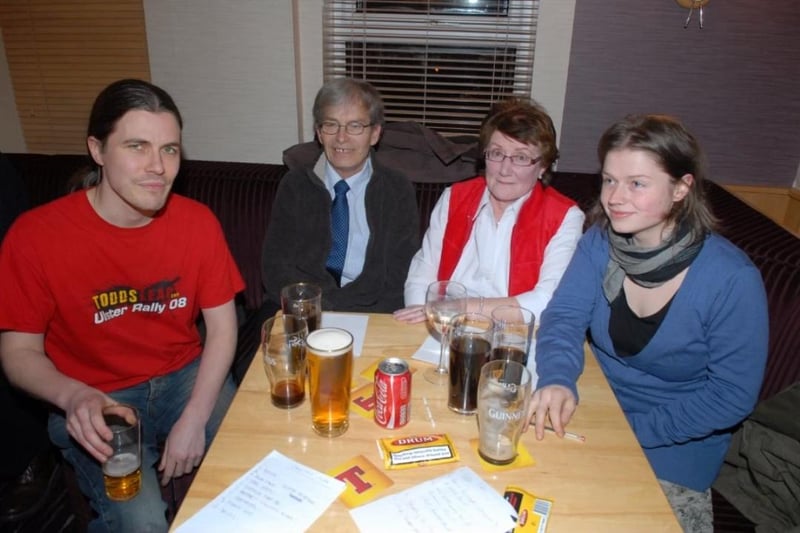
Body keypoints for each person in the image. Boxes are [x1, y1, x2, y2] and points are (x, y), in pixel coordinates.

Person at [0, 79, 244, 532]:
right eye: (138, 146)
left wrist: (195, 416)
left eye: (170, 150)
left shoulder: (197, 223)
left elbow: (224, 330)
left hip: (184, 378)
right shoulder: (34, 237)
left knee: (257, 476)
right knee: (144, 523)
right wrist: (73, 397)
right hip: (97, 398)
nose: (158, 167)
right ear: (97, 149)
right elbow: (18, 355)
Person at [528, 114, 768, 531]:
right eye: (608, 180)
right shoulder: (599, 242)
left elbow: (731, 396)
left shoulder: (731, 279)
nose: (615, 197)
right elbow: (564, 317)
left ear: (681, 188)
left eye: (637, 183)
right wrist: (557, 378)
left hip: (675, 444)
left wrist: (628, 431)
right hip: (589, 413)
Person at [394, 97, 584, 327]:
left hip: (515, 333)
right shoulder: (453, 197)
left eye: (521, 157)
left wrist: (462, 307)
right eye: (496, 153)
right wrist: (422, 320)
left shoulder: (565, 217)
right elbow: (422, 272)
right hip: (446, 326)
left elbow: (548, 300)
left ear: (542, 166)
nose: (505, 169)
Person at [261, 77, 419, 313]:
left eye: (355, 126)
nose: (341, 137)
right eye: (331, 125)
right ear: (319, 133)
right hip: (305, 308)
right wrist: (319, 308)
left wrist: (349, 313)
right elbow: (275, 268)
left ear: (374, 134)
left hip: (372, 312)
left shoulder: (397, 190)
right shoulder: (295, 185)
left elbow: (400, 275)